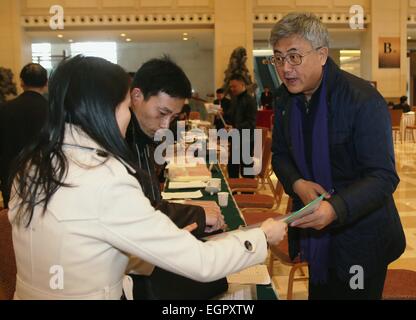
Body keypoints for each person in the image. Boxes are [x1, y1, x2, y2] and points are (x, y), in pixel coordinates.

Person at [8, 55, 287, 300]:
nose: (128, 116)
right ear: (103, 110)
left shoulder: (33, 162)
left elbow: (81, 245)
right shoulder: (106, 178)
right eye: (124, 106)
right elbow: (203, 263)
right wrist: (261, 236)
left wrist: (156, 238)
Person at [270, 13, 405, 300]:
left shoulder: (362, 99)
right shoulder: (284, 99)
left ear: (322, 55)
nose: (285, 68)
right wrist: (297, 183)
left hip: (361, 237)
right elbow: (280, 154)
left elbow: (383, 176)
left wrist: (335, 209)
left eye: (294, 57)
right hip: (315, 236)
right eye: (279, 58)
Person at [0, 63, 48, 208]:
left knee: (13, 220)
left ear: (21, 82)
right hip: (45, 175)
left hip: (11, 173)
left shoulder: (5, 109)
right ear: (46, 83)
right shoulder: (54, 111)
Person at [227, 74, 258, 179]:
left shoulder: (250, 100)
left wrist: (236, 128)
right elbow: (234, 117)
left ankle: (248, 195)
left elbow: (251, 122)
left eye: (234, 86)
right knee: (232, 168)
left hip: (246, 139)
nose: (232, 89)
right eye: (230, 86)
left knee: (247, 170)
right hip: (236, 138)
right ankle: (234, 193)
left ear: (242, 84)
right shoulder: (235, 99)